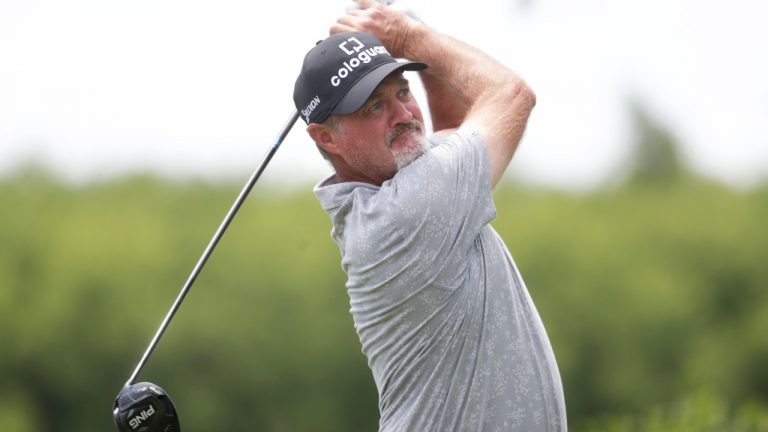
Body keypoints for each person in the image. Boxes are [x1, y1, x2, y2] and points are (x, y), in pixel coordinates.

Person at [292, 1, 567, 430]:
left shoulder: (396, 189)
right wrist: (408, 37)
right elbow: (512, 96)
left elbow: (455, 128)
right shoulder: (405, 213)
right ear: (326, 137)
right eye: (373, 108)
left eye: (403, 91)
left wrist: (413, 31)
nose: (404, 115)